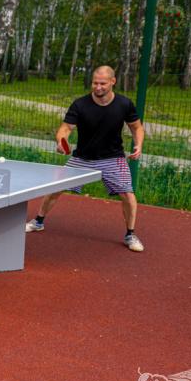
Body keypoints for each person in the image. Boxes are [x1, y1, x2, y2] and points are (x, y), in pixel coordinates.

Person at [25, 65, 146, 252]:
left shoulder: (124, 104)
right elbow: (65, 128)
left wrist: (138, 145)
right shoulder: (80, 104)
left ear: (113, 82)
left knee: (127, 195)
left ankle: (130, 234)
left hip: (113, 158)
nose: (98, 87)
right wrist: (61, 140)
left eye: (102, 83)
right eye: (95, 83)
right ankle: (38, 221)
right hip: (82, 158)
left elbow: (136, 127)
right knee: (55, 188)